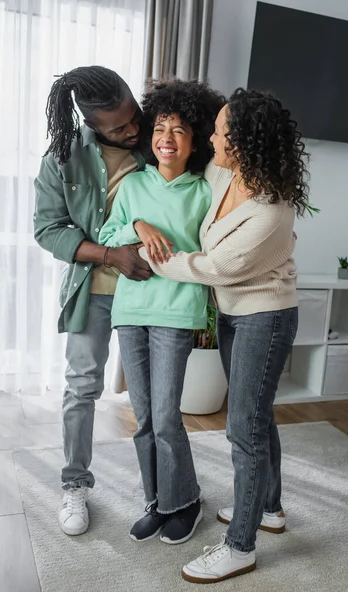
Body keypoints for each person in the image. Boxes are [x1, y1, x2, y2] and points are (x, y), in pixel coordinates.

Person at [135, 88, 309, 582]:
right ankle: (269, 509)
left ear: (246, 142)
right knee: (257, 418)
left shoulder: (272, 211)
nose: (210, 135)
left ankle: (241, 546)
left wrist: (148, 256)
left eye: (220, 130)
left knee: (244, 429)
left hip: (266, 318)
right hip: (235, 315)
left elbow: (215, 267)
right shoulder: (223, 172)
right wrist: (141, 219)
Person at [99, 79, 225, 545]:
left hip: (176, 312)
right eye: (160, 127)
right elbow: (108, 234)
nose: (165, 137)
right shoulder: (133, 184)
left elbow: (216, 248)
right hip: (131, 311)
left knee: (167, 417)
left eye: (178, 130)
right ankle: (156, 498)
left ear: (195, 142)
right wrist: (136, 222)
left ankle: (183, 502)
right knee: (144, 417)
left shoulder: (204, 191)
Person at [33, 66, 152, 537]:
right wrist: (108, 255)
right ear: (91, 124)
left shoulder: (151, 142)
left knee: (150, 399)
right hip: (94, 292)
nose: (132, 130)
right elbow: (47, 229)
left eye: (133, 117)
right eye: (118, 128)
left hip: (150, 293)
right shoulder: (62, 158)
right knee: (82, 388)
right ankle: (75, 484)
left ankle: (161, 489)